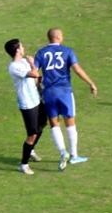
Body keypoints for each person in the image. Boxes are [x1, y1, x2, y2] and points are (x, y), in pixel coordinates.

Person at [34, 28, 98, 171]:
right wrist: (91, 83)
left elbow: (34, 73)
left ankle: (63, 152)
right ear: (58, 37)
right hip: (64, 91)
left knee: (54, 123)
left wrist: (39, 89)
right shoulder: (67, 51)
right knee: (70, 122)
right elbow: (77, 70)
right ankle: (74, 155)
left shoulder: (41, 53)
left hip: (49, 92)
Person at [5, 38, 46, 175]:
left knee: (41, 126)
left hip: (36, 99)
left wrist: (40, 88)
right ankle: (23, 164)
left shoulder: (22, 62)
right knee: (32, 134)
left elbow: (36, 78)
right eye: (21, 46)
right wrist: (32, 63)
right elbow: (34, 73)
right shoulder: (14, 66)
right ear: (17, 50)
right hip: (27, 104)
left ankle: (31, 150)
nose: (24, 47)